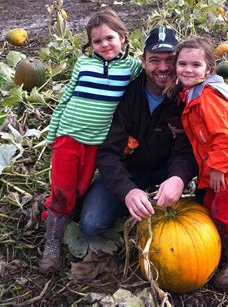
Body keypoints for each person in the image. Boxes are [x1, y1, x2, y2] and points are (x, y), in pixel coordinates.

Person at [40, 9, 141, 275]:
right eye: (97, 41)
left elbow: (148, 83)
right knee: (62, 190)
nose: (104, 45)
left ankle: (60, 216)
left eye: (109, 38)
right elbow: (65, 99)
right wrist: (53, 134)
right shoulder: (83, 65)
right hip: (69, 137)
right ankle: (51, 245)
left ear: (122, 37)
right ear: (90, 44)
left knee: (81, 188)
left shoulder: (131, 67)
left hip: (98, 143)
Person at [78, 27, 197, 235]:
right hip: (129, 171)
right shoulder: (126, 95)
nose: (163, 67)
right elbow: (107, 154)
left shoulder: (188, 97)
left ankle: (227, 224)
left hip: (166, 170)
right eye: (154, 60)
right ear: (143, 61)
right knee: (91, 224)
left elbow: (188, 148)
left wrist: (179, 177)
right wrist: (127, 190)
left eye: (169, 59)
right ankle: (133, 202)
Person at [174, 37, 228, 289]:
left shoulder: (208, 98)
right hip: (223, 162)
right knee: (207, 204)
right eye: (182, 64)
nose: (188, 70)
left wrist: (216, 168)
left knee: (221, 211)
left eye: (195, 65)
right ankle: (227, 243)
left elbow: (225, 136)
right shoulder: (191, 93)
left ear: (208, 70)